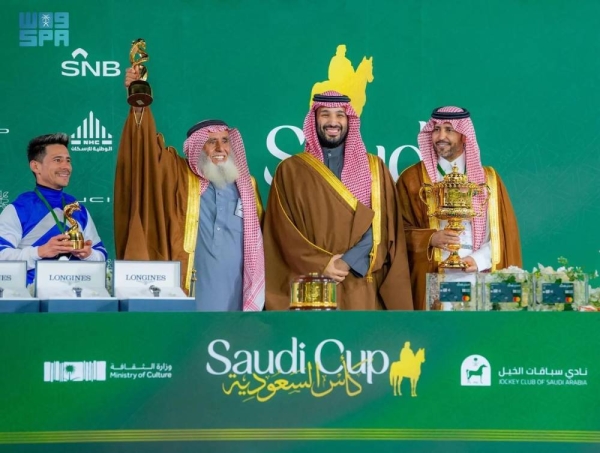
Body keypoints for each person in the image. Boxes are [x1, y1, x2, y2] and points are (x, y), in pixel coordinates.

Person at [115, 67, 265, 311]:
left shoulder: (248, 186)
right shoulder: (178, 176)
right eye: (211, 141)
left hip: (240, 298)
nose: (220, 147)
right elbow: (146, 157)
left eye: (225, 140)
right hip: (191, 294)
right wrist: (139, 104)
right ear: (196, 147)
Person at [263, 91, 412, 310]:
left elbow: (383, 226)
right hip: (311, 282)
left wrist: (347, 261)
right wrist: (322, 264)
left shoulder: (374, 167)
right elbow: (282, 233)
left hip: (359, 280)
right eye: (325, 114)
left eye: (340, 115)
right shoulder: (290, 170)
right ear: (314, 119)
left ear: (349, 120)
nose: (333, 122)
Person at [396, 106, 522, 310]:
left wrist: (478, 259)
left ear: (464, 135)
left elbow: (503, 237)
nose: (441, 136)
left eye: (449, 129)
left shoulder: (488, 180)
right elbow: (396, 233)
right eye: (436, 129)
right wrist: (430, 238)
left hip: (479, 276)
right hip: (432, 276)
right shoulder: (412, 179)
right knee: (435, 336)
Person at [0, 133, 107, 285]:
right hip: (32, 301)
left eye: (68, 160)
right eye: (57, 160)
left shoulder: (77, 208)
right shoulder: (18, 209)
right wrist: (40, 252)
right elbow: (2, 255)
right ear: (35, 166)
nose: (66, 167)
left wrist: (87, 254)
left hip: (77, 296)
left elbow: (101, 254)